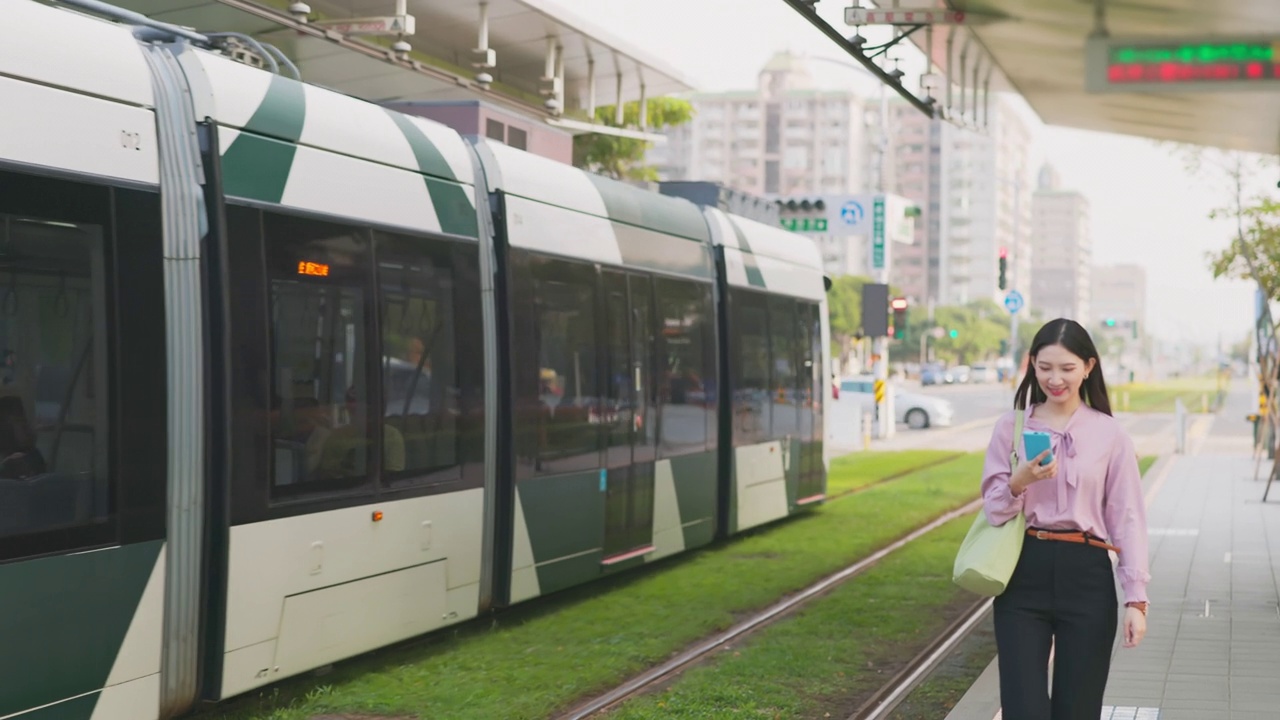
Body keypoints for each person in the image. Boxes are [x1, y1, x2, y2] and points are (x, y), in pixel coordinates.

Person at [981, 318, 1149, 720]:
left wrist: (1136, 599)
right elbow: (994, 508)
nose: (1055, 379)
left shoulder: (1110, 434)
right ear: (1032, 365)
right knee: (1023, 708)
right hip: (1024, 571)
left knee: (1079, 709)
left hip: (1087, 574)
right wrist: (1019, 481)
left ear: (1088, 367)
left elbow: (1127, 518)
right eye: (1045, 368)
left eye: (1067, 368)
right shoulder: (1012, 427)